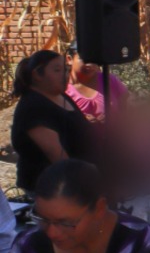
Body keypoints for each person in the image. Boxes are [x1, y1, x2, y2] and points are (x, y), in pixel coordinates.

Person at [11, 49, 94, 191]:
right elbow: (57, 157)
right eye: (57, 70)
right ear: (37, 74)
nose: (65, 75)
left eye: (65, 69)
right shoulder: (33, 107)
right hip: (55, 190)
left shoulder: (61, 97)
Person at [64, 42, 128, 123]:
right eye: (85, 58)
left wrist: (114, 119)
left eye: (95, 58)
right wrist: (80, 123)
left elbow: (126, 112)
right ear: (69, 59)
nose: (90, 63)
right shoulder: (62, 88)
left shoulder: (109, 80)